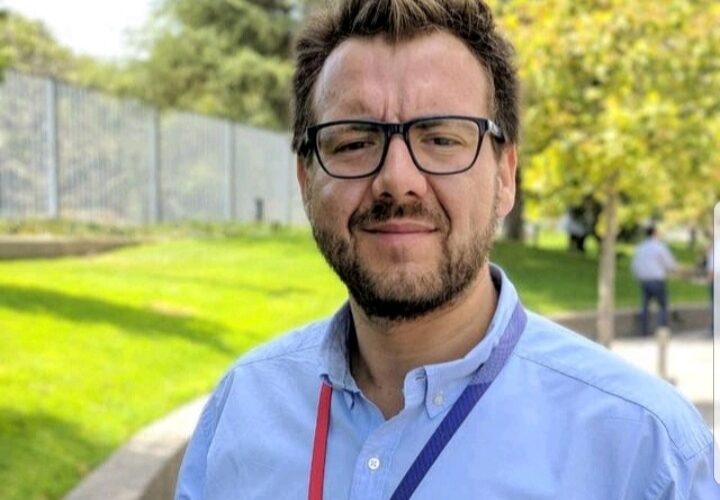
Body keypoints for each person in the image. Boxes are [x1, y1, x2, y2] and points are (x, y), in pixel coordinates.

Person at [176, 1, 717, 498]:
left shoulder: (646, 454)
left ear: (505, 176)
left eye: (440, 139)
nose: (397, 180)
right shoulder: (241, 410)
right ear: (305, 180)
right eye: (355, 141)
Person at [631, 226, 678, 336]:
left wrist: (638, 276)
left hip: (644, 280)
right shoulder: (659, 247)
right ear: (655, 233)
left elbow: (635, 264)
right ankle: (662, 331)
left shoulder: (640, 248)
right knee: (662, 306)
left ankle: (644, 331)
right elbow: (670, 264)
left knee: (645, 306)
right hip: (657, 279)